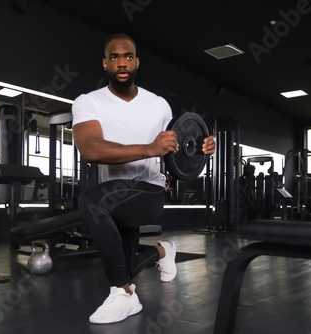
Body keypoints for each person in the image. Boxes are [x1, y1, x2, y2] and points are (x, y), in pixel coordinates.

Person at [71, 33, 215, 324]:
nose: (121, 62)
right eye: (114, 57)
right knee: (125, 264)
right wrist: (150, 148)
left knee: (92, 201)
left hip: (149, 191)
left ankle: (125, 295)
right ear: (105, 63)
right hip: (116, 192)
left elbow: (177, 149)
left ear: (136, 62)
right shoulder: (88, 103)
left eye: (127, 56)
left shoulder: (159, 105)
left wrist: (201, 148)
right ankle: (164, 250)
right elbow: (91, 149)